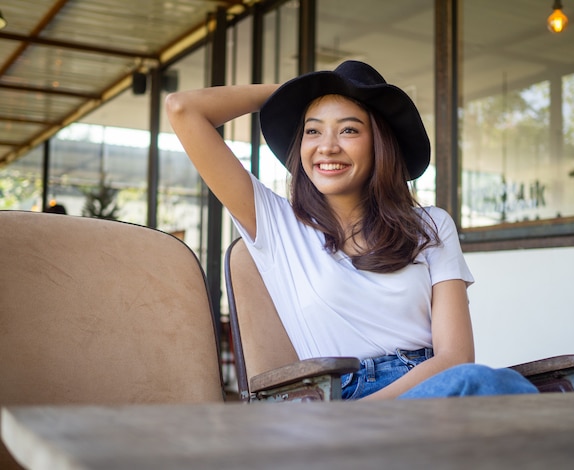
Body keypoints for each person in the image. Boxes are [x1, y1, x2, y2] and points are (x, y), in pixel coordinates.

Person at [166, 60, 538, 400]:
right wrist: (296, 90)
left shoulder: (431, 225)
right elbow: (183, 109)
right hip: (340, 399)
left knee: (497, 387)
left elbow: (455, 356)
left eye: (348, 130)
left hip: (432, 388)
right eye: (313, 131)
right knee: (496, 390)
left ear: (379, 143)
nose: (327, 147)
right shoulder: (275, 224)